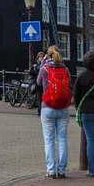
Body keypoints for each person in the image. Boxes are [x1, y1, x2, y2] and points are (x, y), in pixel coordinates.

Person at [36, 49, 71, 178]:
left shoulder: (45, 68)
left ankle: (51, 170)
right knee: (62, 140)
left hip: (48, 107)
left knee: (49, 140)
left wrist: (43, 62)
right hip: (63, 108)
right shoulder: (65, 69)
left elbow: (38, 82)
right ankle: (61, 170)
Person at [33, 51, 45, 116]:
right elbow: (31, 73)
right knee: (39, 97)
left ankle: (43, 110)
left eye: (42, 57)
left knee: (44, 97)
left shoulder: (45, 64)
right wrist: (34, 68)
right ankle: (39, 111)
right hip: (38, 83)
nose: (41, 58)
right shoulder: (36, 64)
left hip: (44, 83)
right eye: (40, 57)